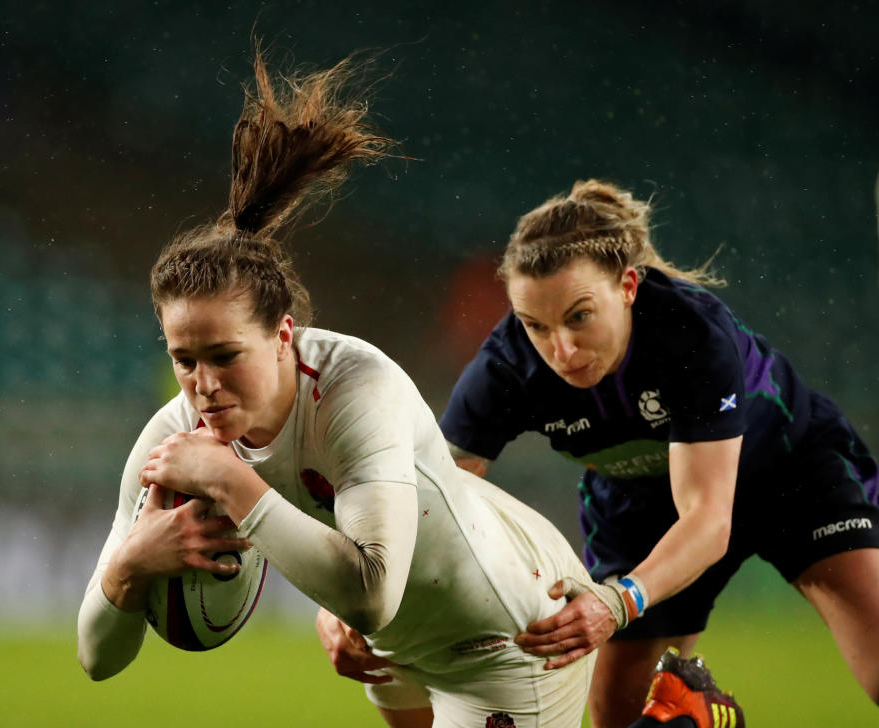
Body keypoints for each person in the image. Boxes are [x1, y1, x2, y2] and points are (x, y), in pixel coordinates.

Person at [77, 54, 613, 728]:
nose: (203, 385)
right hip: (390, 654)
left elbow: (371, 595)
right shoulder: (174, 437)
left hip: (510, 632)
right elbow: (97, 657)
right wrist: (129, 565)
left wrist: (233, 484)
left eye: (225, 356)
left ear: (283, 335)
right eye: (184, 360)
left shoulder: (358, 386)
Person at [429, 180, 879, 726]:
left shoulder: (691, 334)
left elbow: (710, 520)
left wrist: (617, 601)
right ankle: (696, 710)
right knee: (621, 716)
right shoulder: (504, 369)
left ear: (628, 286)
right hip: (641, 503)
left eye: (578, 316)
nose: (561, 351)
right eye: (535, 326)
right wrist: (363, 612)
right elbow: (435, 502)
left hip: (796, 474)